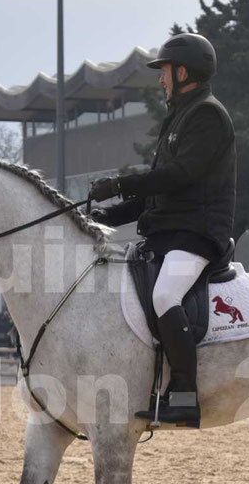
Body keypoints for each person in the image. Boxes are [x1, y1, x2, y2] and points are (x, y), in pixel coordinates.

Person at [87, 32, 235, 428]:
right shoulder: (180, 117)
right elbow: (154, 196)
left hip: (198, 232)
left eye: (165, 72)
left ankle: (185, 395)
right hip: (169, 232)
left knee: (165, 293)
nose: (160, 80)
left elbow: (180, 175)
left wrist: (120, 183)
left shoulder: (208, 114)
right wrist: (99, 220)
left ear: (183, 71)